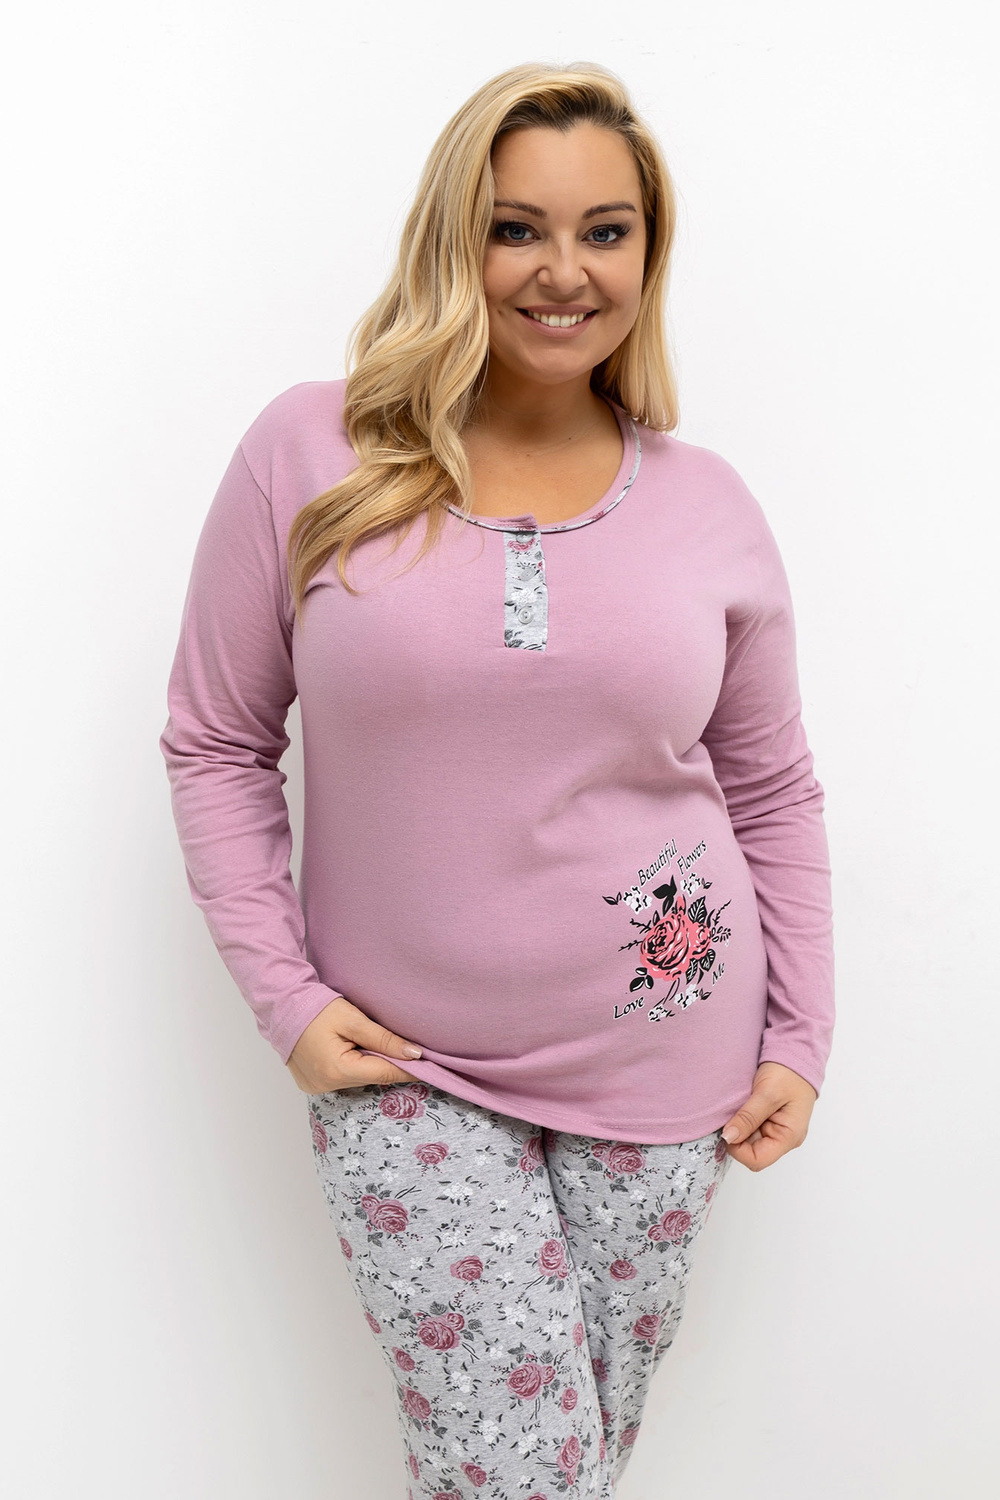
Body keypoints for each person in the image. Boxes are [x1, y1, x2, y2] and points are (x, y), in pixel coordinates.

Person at [159, 60, 835, 1499]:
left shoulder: (708, 504)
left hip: (668, 1061)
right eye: (515, 227)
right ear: (451, 240)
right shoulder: (312, 453)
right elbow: (216, 739)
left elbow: (771, 788)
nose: (562, 271)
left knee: (564, 1466)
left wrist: (800, 1034)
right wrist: (285, 998)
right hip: (404, 1066)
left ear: (649, 255)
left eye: (606, 231)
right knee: (517, 1470)